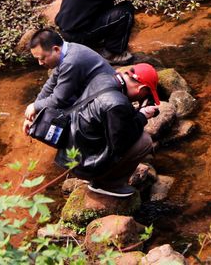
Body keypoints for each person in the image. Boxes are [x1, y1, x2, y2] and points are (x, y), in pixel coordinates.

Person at [55, 62, 162, 198]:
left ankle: (95, 176)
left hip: (70, 153)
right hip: (84, 163)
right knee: (144, 141)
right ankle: (106, 185)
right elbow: (121, 144)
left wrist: (136, 113)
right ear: (141, 88)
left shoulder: (103, 78)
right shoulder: (117, 103)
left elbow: (113, 122)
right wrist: (142, 116)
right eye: (146, 94)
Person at [22, 27, 117, 130]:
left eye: (42, 58)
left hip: (108, 96)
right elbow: (50, 85)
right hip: (93, 89)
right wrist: (34, 109)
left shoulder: (71, 62)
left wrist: (35, 107)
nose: (40, 63)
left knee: (60, 118)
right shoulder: (66, 51)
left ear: (56, 49)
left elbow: (58, 99)